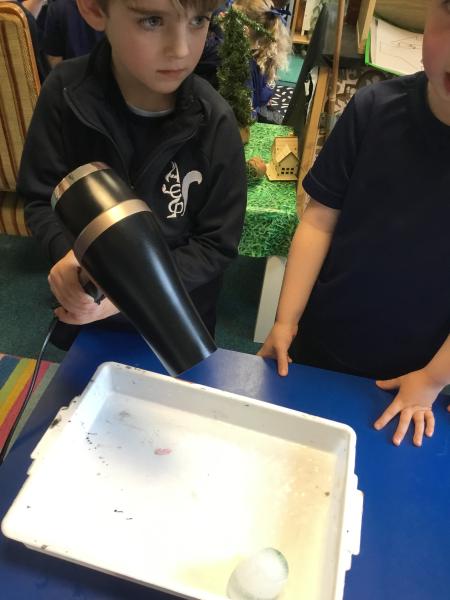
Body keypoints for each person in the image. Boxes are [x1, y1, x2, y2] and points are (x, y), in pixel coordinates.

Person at [258, 0, 450, 448]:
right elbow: (319, 222)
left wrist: (432, 379)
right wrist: (285, 320)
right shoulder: (373, 108)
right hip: (319, 344)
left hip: (413, 381)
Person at [17, 0, 247, 348]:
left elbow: (215, 243)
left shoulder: (215, 122)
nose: (181, 50)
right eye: (152, 21)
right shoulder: (63, 94)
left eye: (199, 20)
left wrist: (128, 294)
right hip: (90, 317)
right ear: (95, 10)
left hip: (177, 319)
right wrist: (66, 254)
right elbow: (40, 196)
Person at [42, 0, 104, 66]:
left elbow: (54, 59)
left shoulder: (56, 8)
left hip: (71, 69)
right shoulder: (107, 5)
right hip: (105, 67)